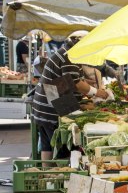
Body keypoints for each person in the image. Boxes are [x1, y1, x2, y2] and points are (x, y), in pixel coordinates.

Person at [32, 31, 115, 160]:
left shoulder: (68, 53)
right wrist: (97, 92)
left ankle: (46, 175)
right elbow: (75, 83)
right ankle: (56, 174)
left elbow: (70, 79)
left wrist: (86, 83)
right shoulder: (70, 56)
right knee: (59, 148)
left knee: (47, 146)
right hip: (52, 107)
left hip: (47, 105)